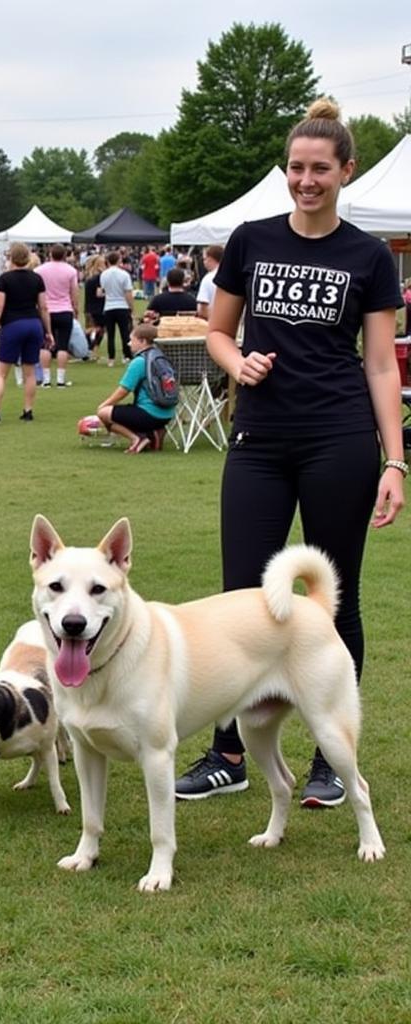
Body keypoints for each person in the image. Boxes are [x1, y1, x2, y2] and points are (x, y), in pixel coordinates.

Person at [175, 99, 405, 806]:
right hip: (259, 442)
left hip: (339, 439)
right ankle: (229, 751)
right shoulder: (249, 239)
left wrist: (394, 461)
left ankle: (331, 757)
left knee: (333, 600)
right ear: (287, 171)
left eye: (321, 170)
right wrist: (234, 360)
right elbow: (216, 332)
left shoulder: (367, 256)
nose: (307, 181)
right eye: (297, 169)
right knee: (241, 598)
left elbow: (380, 364)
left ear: (346, 171)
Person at [0, 241, 53, 425]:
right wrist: (49, 331)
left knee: (0, 373)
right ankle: (28, 411)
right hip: (33, 324)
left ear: (11, 258)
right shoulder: (37, 279)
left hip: (13, 325)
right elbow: (43, 307)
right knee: (30, 372)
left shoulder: (5, 279)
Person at [95, 323, 174, 453]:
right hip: (167, 414)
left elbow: (124, 390)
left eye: (132, 340)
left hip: (149, 414)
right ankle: (153, 435)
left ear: (143, 341)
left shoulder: (139, 361)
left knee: (103, 413)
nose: (129, 343)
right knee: (124, 411)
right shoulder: (161, 357)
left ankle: (137, 438)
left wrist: (104, 405)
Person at [35, 243, 78, 388]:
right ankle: (60, 379)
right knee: (63, 346)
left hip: (46, 310)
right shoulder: (71, 271)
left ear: (50, 254)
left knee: (45, 345)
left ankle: (46, 379)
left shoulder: (40, 270)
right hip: (65, 309)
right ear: (65, 255)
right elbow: (74, 292)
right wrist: (76, 309)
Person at [99, 251, 134, 367]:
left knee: (111, 334)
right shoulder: (124, 274)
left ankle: (111, 358)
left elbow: (102, 290)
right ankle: (127, 355)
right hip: (122, 305)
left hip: (109, 306)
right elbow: (128, 292)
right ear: (119, 261)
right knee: (125, 333)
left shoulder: (103, 274)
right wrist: (131, 307)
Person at [82, 253, 107, 354]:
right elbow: (99, 293)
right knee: (97, 329)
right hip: (98, 307)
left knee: (95, 329)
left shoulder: (89, 278)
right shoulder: (98, 278)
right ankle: (90, 348)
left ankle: (92, 350)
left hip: (89, 307)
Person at [195, 244, 224, 320]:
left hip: (212, 322)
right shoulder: (232, 276)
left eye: (204, 259)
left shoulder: (208, 279)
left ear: (210, 259)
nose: (204, 262)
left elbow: (203, 307)